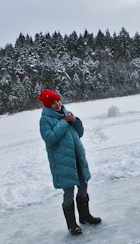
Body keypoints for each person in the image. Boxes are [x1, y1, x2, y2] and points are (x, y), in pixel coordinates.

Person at [38, 89, 101, 235]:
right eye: (53, 103)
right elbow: (49, 139)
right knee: (68, 190)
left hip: (77, 158)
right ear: (48, 106)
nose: (57, 104)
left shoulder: (66, 114)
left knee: (83, 184)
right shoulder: (45, 120)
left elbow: (79, 133)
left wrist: (75, 121)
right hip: (63, 162)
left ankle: (85, 216)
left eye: (58, 101)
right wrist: (64, 123)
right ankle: (72, 225)